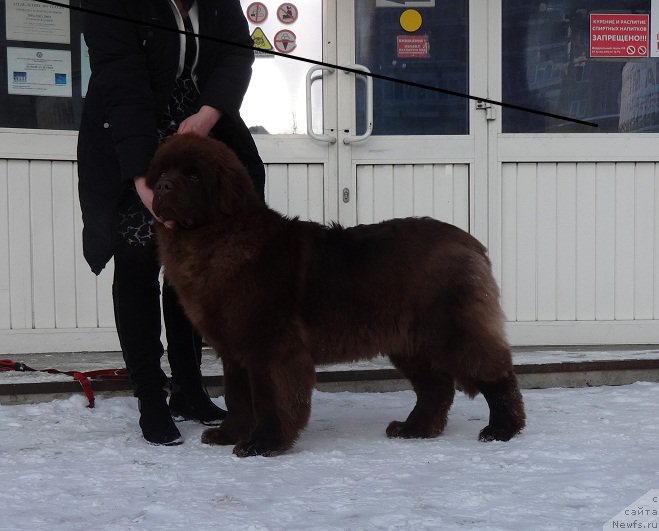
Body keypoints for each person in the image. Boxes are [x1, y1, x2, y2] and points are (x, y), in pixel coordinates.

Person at [77, 0, 265, 445]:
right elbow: (121, 85)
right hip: (131, 137)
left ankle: (188, 387)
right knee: (139, 264)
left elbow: (238, 51)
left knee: (197, 270)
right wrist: (144, 180)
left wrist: (209, 113)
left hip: (200, 135)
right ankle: (150, 396)